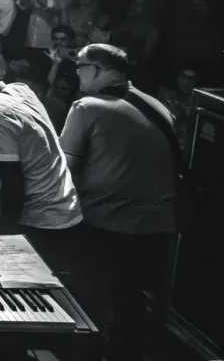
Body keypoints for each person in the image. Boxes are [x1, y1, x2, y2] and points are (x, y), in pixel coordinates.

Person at [61, 44, 178, 361]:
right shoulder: (157, 105)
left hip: (106, 226)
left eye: (80, 66)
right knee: (132, 308)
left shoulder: (87, 107)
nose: (75, 72)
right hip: (158, 228)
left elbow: (63, 173)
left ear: (98, 69)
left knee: (92, 306)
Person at [0, 54, 82, 280]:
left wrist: (5, 238)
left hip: (41, 220)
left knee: (29, 288)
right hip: (66, 207)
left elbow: (9, 178)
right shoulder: (22, 90)